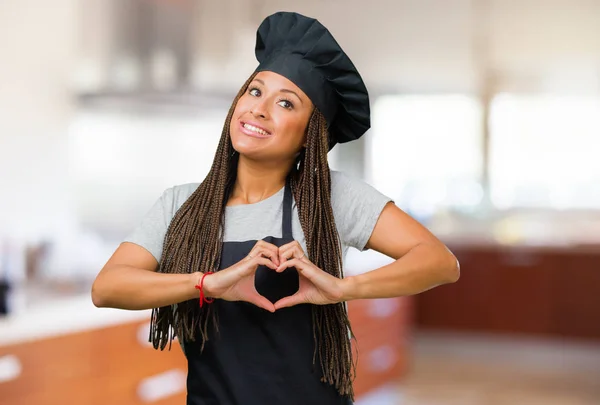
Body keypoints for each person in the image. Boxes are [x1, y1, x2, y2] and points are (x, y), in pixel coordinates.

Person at [91, 11, 459, 405]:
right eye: (254, 91)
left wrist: (344, 288)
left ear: (309, 136)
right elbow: (107, 287)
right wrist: (207, 283)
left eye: (286, 103)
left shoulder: (330, 197)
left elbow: (439, 261)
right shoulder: (181, 204)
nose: (259, 109)